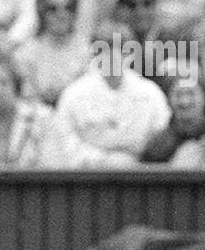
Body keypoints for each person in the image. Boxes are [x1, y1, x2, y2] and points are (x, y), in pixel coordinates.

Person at [54, 23, 172, 166]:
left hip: (140, 172)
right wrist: (102, 160)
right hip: (87, 176)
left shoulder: (150, 93)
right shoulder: (73, 94)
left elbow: (163, 135)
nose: (113, 56)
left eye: (121, 50)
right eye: (104, 50)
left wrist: (138, 160)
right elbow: (65, 141)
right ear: (94, 54)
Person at [12, 0, 94, 106]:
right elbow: (24, 96)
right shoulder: (25, 52)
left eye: (68, 7)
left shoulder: (88, 51)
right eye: (52, 8)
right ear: (41, 12)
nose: (61, 14)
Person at [140, 77, 205, 166]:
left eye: (191, 93)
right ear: (168, 100)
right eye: (178, 95)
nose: (185, 101)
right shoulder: (156, 146)